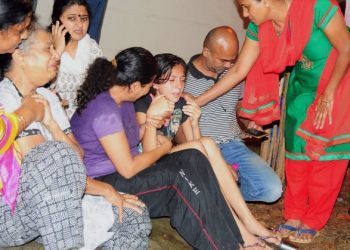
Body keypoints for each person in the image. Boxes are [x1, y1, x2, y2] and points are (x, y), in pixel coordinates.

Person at [194, 0, 350, 244]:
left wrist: (329, 92)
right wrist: (198, 101)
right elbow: (238, 72)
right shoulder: (261, 25)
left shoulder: (317, 6)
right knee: (296, 151)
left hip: (340, 81)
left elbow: (347, 47)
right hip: (304, 85)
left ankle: (314, 219)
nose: (245, 15)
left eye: (247, 7)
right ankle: (294, 215)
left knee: (326, 155)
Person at [70, 47, 256, 249]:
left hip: (123, 174)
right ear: (133, 85)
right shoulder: (105, 110)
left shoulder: (122, 98)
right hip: (103, 184)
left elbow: (130, 137)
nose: (149, 90)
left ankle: (240, 235)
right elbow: (128, 168)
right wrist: (164, 146)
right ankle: (228, 246)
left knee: (193, 157)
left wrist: (150, 124)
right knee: (177, 176)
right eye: (148, 85)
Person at [0, 24, 151, 249]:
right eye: (48, 49)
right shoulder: (6, 98)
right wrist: (105, 189)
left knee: (134, 215)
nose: (56, 55)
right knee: (55, 154)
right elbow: (46, 170)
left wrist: (51, 123)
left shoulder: (48, 98)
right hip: (12, 212)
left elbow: (77, 156)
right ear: (20, 56)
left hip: (62, 200)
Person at [135, 53, 291, 248]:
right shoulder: (144, 103)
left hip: (171, 160)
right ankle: (246, 227)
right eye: (171, 80)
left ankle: (247, 225)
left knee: (207, 148)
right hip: (147, 168)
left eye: (183, 80)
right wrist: (153, 121)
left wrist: (195, 121)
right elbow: (148, 157)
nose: (178, 86)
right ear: (155, 83)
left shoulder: (180, 103)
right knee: (207, 145)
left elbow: (196, 154)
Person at [183, 26, 282, 203]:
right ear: (206, 52)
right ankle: (218, 192)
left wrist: (249, 121)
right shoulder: (183, 78)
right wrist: (209, 157)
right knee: (210, 180)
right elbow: (177, 130)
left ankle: (219, 196)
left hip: (233, 145)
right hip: (201, 147)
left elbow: (238, 108)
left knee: (271, 190)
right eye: (223, 60)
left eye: (233, 60)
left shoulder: (234, 75)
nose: (229, 65)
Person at [50, 0, 103, 118]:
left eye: (84, 18)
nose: (79, 24)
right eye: (72, 18)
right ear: (57, 19)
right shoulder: (43, 45)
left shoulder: (92, 47)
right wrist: (57, 52)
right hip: (52, 117)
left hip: (86, 117)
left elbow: (102, 87)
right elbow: (42, 86)